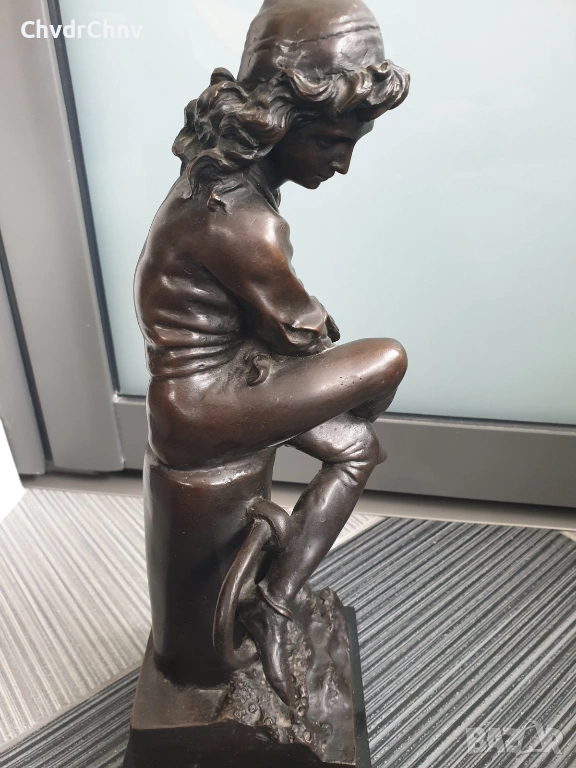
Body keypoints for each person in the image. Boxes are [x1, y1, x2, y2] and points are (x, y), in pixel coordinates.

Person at [134, 0, 410, 706]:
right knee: (386, 360)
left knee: (355, 448)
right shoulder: (244, 224)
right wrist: (325, 358)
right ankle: (267, 604)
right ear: (280, 120)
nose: (344, 165)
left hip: (225, 382)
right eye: (333, 142)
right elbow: (304, 334)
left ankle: (274, 599)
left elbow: (281, 324)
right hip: (202, 407)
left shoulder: (219, 184)